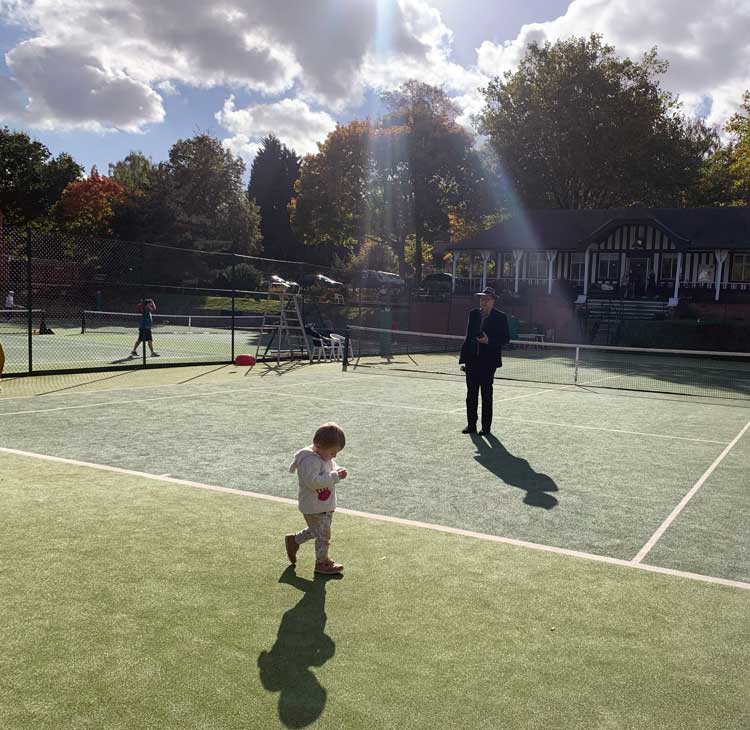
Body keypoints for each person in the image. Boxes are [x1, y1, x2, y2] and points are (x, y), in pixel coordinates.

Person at [286, 422, 348, 575]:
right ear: (319, 446)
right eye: (332, 453)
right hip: (314, 506)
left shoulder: (323, 456)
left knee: (318, 531)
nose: (334, 457)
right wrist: (335, 476)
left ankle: (294, 541)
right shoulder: (310, 460)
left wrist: (337, 470)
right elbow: (312, 482)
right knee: (323, 535)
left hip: (323, 505)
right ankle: (322, 562)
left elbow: (330, 466)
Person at [459, 286, 510, 436]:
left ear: (493, 301)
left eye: (487, 299)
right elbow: (469, 337)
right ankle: (471, 425)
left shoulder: (500, 317)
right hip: (472, 361)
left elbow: (506, 338)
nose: (484, 301)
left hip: (488, 363)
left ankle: (486, 428)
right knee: (471, 395)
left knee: (486, 395)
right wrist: (464, 359)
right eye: (482, 299)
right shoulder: (473, 314)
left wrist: (489, 341)